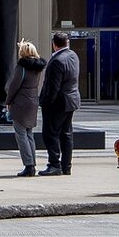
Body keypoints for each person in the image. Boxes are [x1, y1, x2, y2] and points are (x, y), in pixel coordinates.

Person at [38, 32, 81, 176]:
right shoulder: (73, 56)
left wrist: (45, 102)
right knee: (66, 133)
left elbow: (53, 87)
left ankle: (54, 164)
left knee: (50, 134)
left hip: (58, 102)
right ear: (67, 43)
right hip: (71, 100)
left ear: (54, 44)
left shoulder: (57, 60)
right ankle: (66, 165)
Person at [5, 39, 47, 177]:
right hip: (32, 102)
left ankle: (28, 165)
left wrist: (8, 101)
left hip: (21, 104)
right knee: (29, 135)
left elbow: (13, 86)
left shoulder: (21, 67)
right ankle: (32, 163)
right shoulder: (37, 68)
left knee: (21, 135)